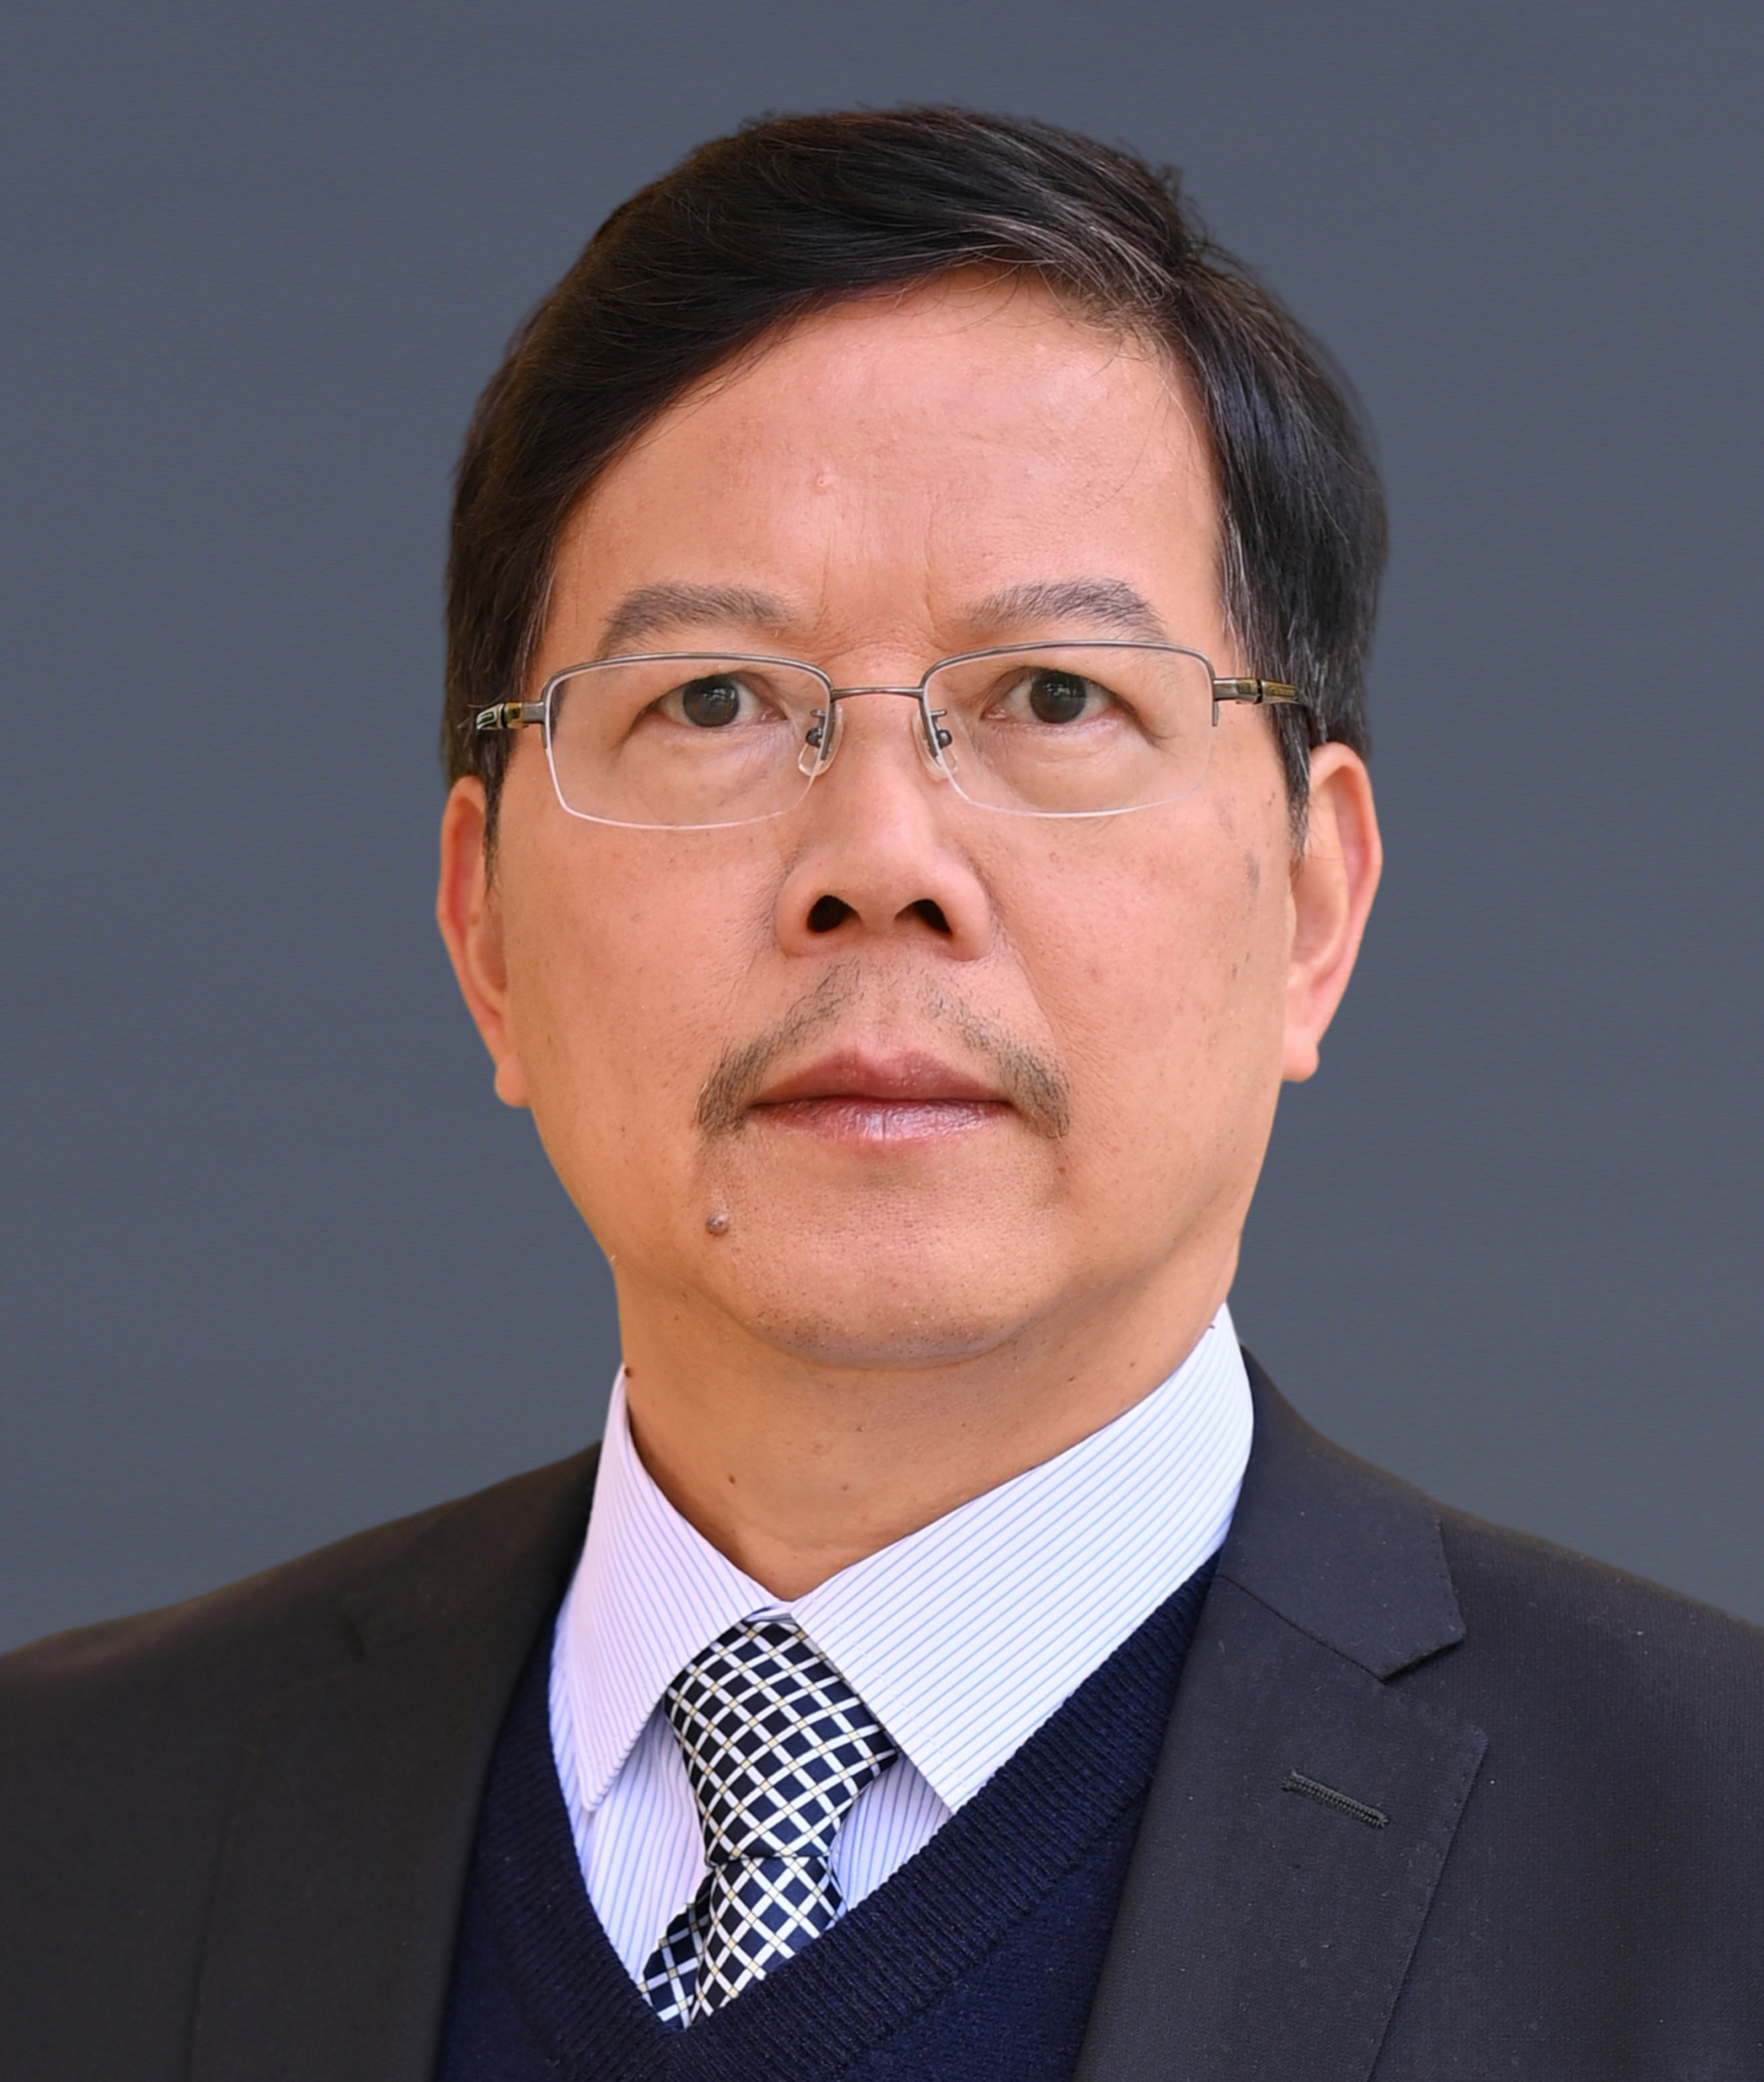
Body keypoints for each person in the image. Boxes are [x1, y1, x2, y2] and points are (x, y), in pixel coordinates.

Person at [2, 107, 1759, 2082]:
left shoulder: (1717, 1869)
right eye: (712, 701)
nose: (878, 858)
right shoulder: (61, 1837)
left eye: (1057, 698)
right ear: (484, 928)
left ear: (1314, 905)